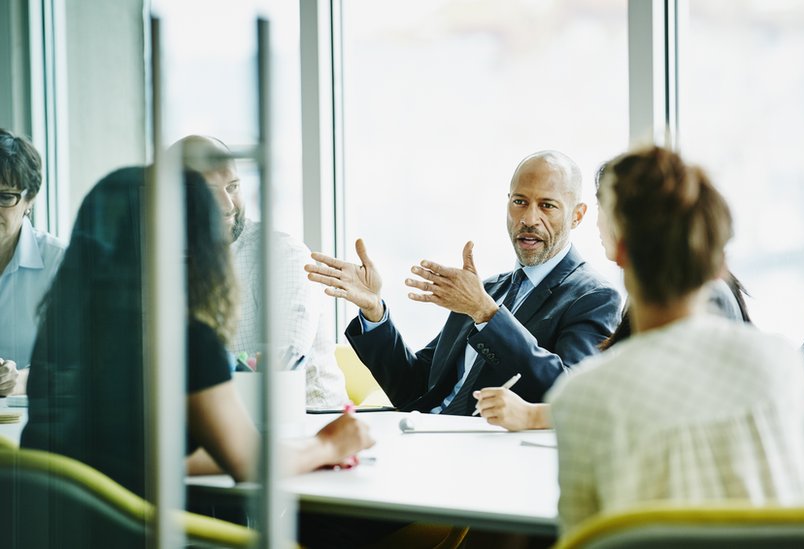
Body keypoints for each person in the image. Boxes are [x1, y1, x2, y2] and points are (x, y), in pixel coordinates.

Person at [21, 167, 373, 505]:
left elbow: (137, 455)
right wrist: (328, 445)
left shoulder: (62, 331)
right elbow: (247, 462)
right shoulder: (185, 340)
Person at [547, 146, 804, 534]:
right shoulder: (783, 363)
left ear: (620, 251)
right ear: (717, 257)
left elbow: (583, 538)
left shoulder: (583, 398)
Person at [306, 151, 622, 416]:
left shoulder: (593, 296)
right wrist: (374, 310)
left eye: (547, 205)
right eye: (520, 202)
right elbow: (414, 389)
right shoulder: (486, 290)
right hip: (427, 437)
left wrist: (485, 313)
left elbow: (569, 395)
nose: (528, 219)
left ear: (577, 216)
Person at [474, 160, 752, 430]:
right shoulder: (654, 294)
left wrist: (532, 416)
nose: (597, 223)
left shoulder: (703, 296)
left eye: (603, 208)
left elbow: (656, 406)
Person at [175, 135, 348, 407]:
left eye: (233, 187)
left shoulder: (281, 255)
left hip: (309, 424)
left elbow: (280, 364)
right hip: (216, 429)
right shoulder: (160, 260)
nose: (228, 205)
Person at [0, 129, 66, 397]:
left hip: (30, 427)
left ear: (30, 200)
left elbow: (78, 365)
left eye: (5, 197)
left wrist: (17, 381)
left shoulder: (58, 262)